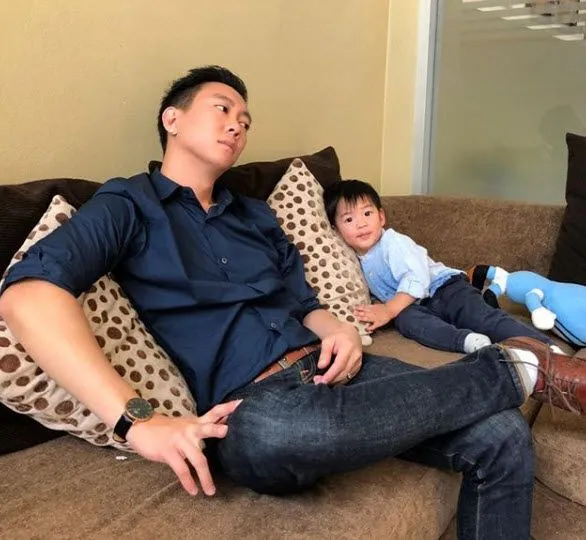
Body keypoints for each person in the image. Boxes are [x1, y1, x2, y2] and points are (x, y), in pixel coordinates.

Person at [0, 65, 585, 540]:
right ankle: (522, 368)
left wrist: (337, 330)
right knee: (281, 432)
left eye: (245, 120)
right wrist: (136, 422)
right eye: (223, 109)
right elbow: (28, 295)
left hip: (333, 369)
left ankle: (518, 372)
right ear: (171, 119)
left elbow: (304, 303)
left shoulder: (256, 217)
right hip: (250, 405)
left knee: (502, 434)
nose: (237, 126)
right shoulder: (128, 204)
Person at [323, 179, 558, 354]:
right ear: (336, 230)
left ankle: (547, 348)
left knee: (481, 317)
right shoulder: (354, 259)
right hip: (414, 305)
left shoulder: (393, 243)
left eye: (367, 213)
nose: (361, 224)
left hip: (446, 288)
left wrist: (389, 309)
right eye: (349, 219)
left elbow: (416, 277)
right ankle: (466, 341)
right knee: (408, 323)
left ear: (381, 217)